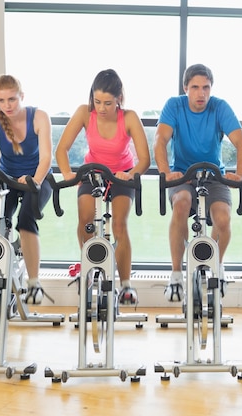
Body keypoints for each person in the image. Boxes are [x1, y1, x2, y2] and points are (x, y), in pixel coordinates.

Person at [153, 63, 242, 302]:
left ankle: (217, 264)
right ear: (185, 87)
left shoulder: (220, 107)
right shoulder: (174, 106)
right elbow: (160, 140)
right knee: (182, 202)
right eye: (195, 87)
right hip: (182, 174)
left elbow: (241, 142)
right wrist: (165, 172)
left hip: (214, 175)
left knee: (223, 218)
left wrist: (239, 173)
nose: (201, 93)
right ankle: (176, 275)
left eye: (206, 87)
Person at [55, 69, 150, 305]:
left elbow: (145, 160)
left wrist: (131, 175)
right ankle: (88, 268)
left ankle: (126, 285)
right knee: (86, 220)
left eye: (108, 102)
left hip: (121, 176)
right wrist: (68, 173)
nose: (102, 108)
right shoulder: (84, 113)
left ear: (119, 98)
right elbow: (61, 149)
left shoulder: (129, 118)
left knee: (119, 223)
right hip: (93, 172)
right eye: (97, 101)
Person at [0, 74, 53, 304]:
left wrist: (34, 182)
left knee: (26, 220)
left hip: (38, 177)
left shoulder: (39, 117)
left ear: (22, 96)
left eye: (12, 99)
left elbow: (46, 158)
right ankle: (1, 273)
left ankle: (34, 283)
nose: (6, 105)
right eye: (1, 100)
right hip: (7, 178)